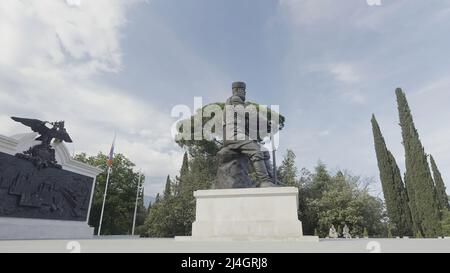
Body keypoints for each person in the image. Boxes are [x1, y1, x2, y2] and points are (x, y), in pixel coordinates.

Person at [222, 81, 278, 187]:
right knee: (256, 151)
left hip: (240, 135)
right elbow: (248, 114)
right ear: (237, 90)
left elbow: (250, 122)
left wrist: (265, 125)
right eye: (243, 90)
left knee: (264, 151)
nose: (245, 93)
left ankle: (271, 181)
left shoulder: (239, 103)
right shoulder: (235, 100)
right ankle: (265, 181)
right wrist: (265, 122)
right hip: (233, 135)